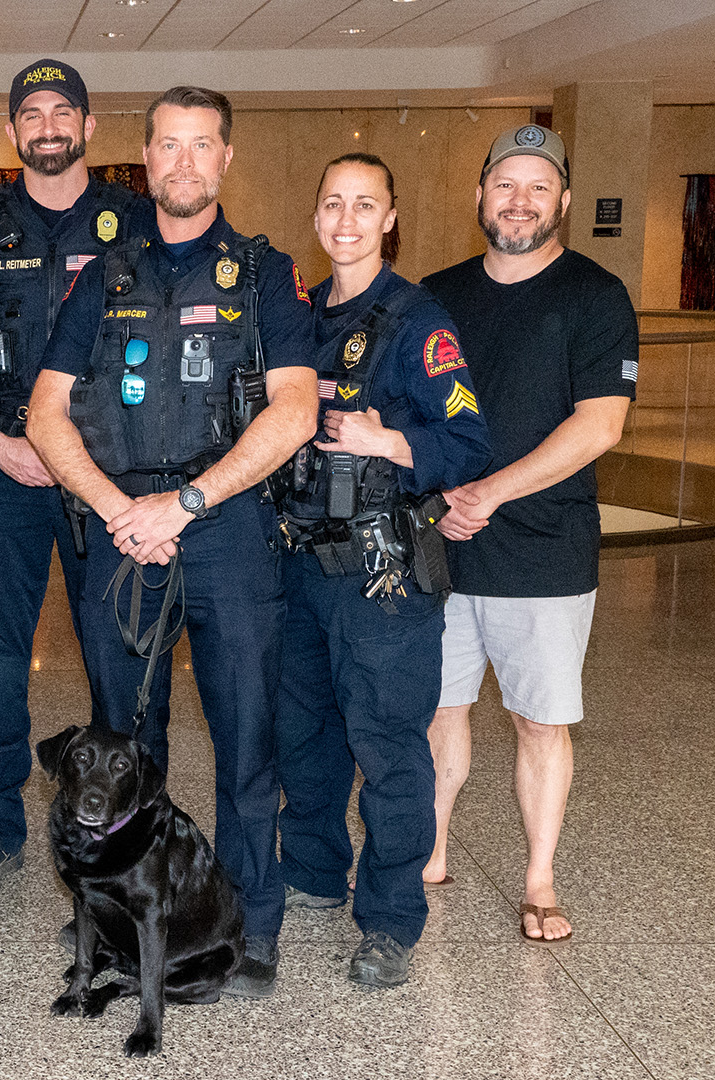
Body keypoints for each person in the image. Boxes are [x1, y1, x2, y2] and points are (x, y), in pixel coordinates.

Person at [27, 85, 319, 999]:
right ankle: (112, 916)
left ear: (225, 159)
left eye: (202, 146)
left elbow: (297, 409)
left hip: (228, 531)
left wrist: (185, 503)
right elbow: (44, 414)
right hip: (121, 534)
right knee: (122, 748)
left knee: (245, 738)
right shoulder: (102, 274)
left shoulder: (265, 273)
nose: (184, 162)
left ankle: (246, 925)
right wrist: (123, 509)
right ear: (143, 158)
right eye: (168, 145)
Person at [0, 59, 149, 898]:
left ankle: (128, 817)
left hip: (108, 475)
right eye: (32, 113)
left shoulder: (136, 219)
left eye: (64, 111)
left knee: (117, 649)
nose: (48, 125)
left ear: (89, 127)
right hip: (8, 466)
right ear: (12, 131)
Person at [272, 153, 490, 989]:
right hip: (299, 566)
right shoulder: (298, 316)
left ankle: (392, 918)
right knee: (306, 736)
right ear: (317, 217)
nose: (348, 220)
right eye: (334, 204)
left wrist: (387, 442)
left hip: (382, 577)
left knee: (391, 749)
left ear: (390, 217)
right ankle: (315, 873)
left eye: (366, 204)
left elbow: (468, 441)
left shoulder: (417, 321)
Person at [420, 125, 637, 946]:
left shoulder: (594, 295)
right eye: (504, 185)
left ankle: (539, 876)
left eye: (536, 188)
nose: (518, 201)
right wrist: (446, 488)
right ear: (480, 194)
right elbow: (411, 406)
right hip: (440, 543)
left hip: (543, 549)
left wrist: (491, 491)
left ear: (564, 203)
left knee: (539, 720)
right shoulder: (436, 295)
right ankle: (430, 848)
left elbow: (600, 426)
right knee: (438, 709)